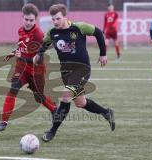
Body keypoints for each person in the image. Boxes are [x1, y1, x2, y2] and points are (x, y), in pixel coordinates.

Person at [33, 4, 115, 142]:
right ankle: (106, 113)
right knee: (80, 103)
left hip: (82, 69)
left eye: (58, 18)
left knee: (65, 96)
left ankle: (52, 132)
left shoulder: (79, 27)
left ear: (65, 17)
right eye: (53, 19)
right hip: (66, 72)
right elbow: (43, 47)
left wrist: (103, 54)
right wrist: (38, 55)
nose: (55, 22)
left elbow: (99, 33)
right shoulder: (52, 33)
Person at [0, 3, 57, 131]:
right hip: (21, 68)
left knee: (38, 96)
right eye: (26, 19)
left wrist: (22, 57)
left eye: (31, 20)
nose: (28, 22)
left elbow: (38, 57)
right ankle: (3, 122)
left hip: (36, 70)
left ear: (35, 20)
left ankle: (55, 109)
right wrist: (13, 54)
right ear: (22, 17)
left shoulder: (38, 34)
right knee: (13, 88)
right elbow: (22, 47)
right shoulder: (20, 30)